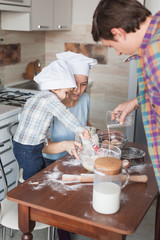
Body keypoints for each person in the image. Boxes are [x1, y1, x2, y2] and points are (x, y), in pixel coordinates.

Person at [91, 0, 160, 190]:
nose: (119, 51)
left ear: (118, 32)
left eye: (113, 45)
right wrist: (137, 101)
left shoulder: (155, 53)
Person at [13, 59, 90, 180]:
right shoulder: (51, 98)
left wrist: (43, 132)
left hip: (20, 144)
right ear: (55, 89)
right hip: (29, 148)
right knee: (33, 177)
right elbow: (64, 114)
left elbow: (25, 117)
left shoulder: (38, 96)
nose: (66, 96)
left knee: (38, 170)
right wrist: (80, 129)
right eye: (66, 92)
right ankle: (30, 190)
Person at [43, 51, 97, 165]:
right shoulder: (50, 103)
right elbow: (40, 147)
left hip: (77, 157)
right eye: (74, 83)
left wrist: (100, 134)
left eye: (83, 84)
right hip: (51, 161)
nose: (78, 90)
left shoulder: (85, 99)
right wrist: (65, 145)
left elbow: (83, 123)